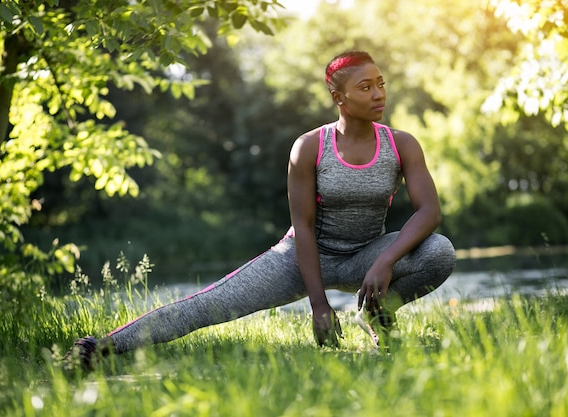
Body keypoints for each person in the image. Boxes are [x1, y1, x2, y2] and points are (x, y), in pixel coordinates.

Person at [63, 50, 456, 371]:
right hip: (300, 257)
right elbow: (301, 226)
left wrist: (383, 261)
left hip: (366, 255)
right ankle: (99, 348)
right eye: (365, 87)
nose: (378, 94)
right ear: (339, 98)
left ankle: (375, 315)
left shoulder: (401, 144)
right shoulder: (308, 147)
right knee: (208, 305)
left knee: (439, 251)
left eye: (381, 84)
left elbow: (429, 212)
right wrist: (318, 305)